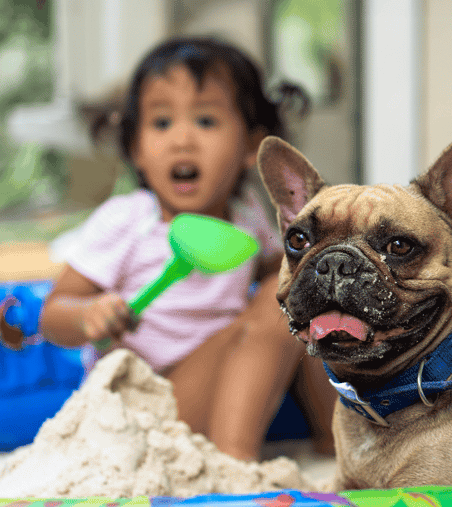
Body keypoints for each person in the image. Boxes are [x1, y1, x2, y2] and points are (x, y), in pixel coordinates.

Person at [39, 36, 336, 462]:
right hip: (144, 406)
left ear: (251, 146)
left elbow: (280, 269)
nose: (182, 140)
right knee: (283, 299)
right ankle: (234, 461)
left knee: (302, 290)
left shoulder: (247, 215)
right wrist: (87, 314)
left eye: (205, 121)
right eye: (162, 123)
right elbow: (51, 315)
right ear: (136, 149)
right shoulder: (129, 220)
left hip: (218, 389)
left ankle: (336, 441)